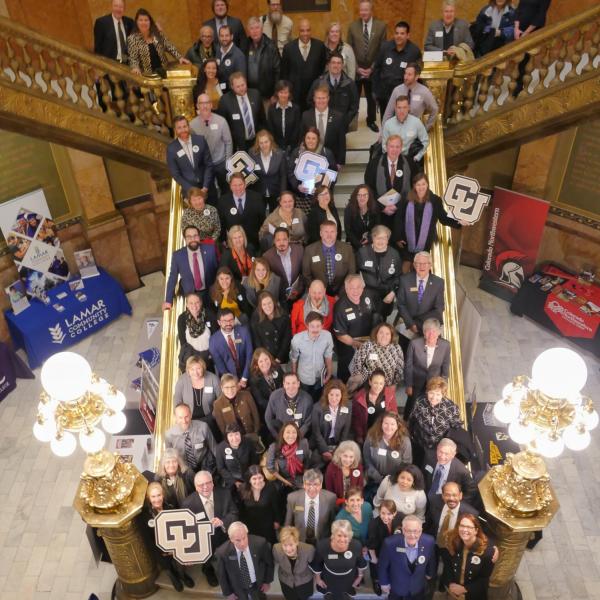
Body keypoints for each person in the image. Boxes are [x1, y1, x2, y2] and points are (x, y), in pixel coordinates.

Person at [393, 172, 463, 271]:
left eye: (423, 184)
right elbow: (398, 218)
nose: (421, 187)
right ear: (414, 185)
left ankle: (418, 286)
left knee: (420, 267)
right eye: (418, 184)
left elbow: (443, 218)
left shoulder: (435, 200)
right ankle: (403, 286)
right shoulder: (406, 198)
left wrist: (459, 222)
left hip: (425, 242)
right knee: (406, 264)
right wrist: (398, 237)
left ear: (427, 184)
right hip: (406, 241)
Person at [182, 470, 240, 586]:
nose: (205, 487)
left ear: (213, 483)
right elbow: (187, 530)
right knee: (207, 559)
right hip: (203, 540)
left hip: (223, 535)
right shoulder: (188, 503)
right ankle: (208, 570)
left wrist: (222, 522)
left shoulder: (225, 494)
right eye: (201, 485)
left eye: (208, 483)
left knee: (225, 556)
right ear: (195, 487)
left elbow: (234, 513)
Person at [143, 482, 195, 592]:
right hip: (159, 549)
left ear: (163, 495)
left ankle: (182, 575)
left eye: (159, 495)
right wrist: (164, 550)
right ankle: (173, 577)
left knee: (180, 562)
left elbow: (179, 525)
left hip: (175, 543)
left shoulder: (171, 505)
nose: (157, 499)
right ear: (148, 498)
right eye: (153, 496)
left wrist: (177, 546)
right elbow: (148, 540)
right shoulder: (145, 515)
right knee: (167, 565)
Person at [346, 0, 388, 132]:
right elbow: (349, 48)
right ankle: (352, 122)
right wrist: (357, 68)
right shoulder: (352, 27)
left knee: (371, 98)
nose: (363, 12)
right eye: (361, 10)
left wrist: (372, 68)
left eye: (366, 10)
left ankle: (371, 121)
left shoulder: (381, 26)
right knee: (354, 98)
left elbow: (382, 49)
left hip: (372, 70)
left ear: (371, 11)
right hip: (356, 70)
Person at [332, 274, 380, 382]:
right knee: (347, 367)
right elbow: (340, 335)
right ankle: (344, 387)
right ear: (346, 289)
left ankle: (363, 385)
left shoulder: (368, 296)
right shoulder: (340, 306)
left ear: (363, 288)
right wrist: (357, 344)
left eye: (358, 287)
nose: (356, 291)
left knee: (370, 363)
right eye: (352, 288)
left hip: (367, 339)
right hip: (348, 342)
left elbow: (376, 315)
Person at [378, 515, 436, 600]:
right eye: (408, 531)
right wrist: (384, 583)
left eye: (416, 531)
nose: (412, 535)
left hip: (417, 587)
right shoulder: (390, 543)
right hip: (397, 587)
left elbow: (431, 560)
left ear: (421, 531)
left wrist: (430, 573)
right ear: (403, 531)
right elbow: (382, 565)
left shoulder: (429, 541)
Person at [409, 378, 464, 467]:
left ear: (443, 394)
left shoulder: (451, 408)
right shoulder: (420, 402)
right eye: (431, 393)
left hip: (439, 449)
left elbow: (456, 427)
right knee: (418, 464)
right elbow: (412, 419)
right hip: (420, 444)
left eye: (438, 394)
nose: (434, 398)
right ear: (427, 392)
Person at [439, 514, 495, 599]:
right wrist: (451, 584)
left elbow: (484, 578)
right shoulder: (452, 543)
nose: (465, 529)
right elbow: (448, 567)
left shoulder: (487, 552)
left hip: (473, 594)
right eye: (462, 526)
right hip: (453, 591)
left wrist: (465, 589)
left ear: (476, 530)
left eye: (469, 527)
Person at [404, 318, 450, 420]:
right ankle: (406, 422)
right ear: (424, 333)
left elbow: (446, 366)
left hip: (434, 383)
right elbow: (408, 365)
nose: (431, 334)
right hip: (416, 381)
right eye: (428, 331)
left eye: (434, 331)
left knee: (430, 404)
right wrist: (408, 385)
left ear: (439, 333)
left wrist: (443, 385)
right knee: (411, 404)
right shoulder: (414, 344)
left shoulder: (446, 345)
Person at [373, 21, 422, 117]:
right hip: (384, 94)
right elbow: (377, 69)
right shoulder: (385, 47)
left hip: (403, 96)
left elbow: (417, 76)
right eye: (397, 33)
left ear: (408, 35)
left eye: (402, 33)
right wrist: (375, 91)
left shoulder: (414, 51)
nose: (399, 36)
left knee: (402, 122)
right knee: (386, 121)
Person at [215, 521, 274, 600]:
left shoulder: (260, 543)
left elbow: (269, 563)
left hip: (257, 584)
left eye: (244, 538)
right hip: (238, 588)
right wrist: (228, 593)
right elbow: (222, 576)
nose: (242, 543)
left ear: (247, 533)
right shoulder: (222, 552)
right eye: (238, 540)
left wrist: (267, 581)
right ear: (231, 539)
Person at [364, 135, 411, 231]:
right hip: (380, 214)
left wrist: (397, 206)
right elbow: (368, 188)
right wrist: (383, 207)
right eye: (391, 146)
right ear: (386, 147)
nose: (394, 150)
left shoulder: (409, 163)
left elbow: (413, 188)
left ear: (401, 148)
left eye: (397, 147)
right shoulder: (374, 163)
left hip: (402, 213)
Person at [310, 519, 367, 597]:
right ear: (333, 535)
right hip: (328, 578)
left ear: (350, 536)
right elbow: (317, 565)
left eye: (345, 536)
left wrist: (360, 577)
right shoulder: (322, 546)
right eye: (339, 535)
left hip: (349, 578)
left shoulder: (356, 545)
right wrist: (318, 579)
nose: (342, 539)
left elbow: (361, 564)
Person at [287, 128, 338, 215]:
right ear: (304, 139)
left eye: (313, 138)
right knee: (304, 222)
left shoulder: (327, 153)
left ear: (318, 139)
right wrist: (297, 186)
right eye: (308, 138)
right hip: (301, 197)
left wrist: (322, 189)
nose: (311, 141)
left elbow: (333, 176)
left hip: (320, 197)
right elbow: (290, 172)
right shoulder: (297, 152)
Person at [189, 94, 232, 194]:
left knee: (226, 189)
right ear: (197, 106)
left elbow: (228, 142)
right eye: (202, 103)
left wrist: (227, 162)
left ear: (211, 105)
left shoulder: (221, 121)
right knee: (210, 192)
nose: (205, 106)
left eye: (207, 103)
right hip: (204, 165)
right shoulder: (192, 125)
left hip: (221, 163)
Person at [281, 19, 327, 112]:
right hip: (295, 96)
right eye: (302, 30)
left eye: (308, 30)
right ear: (298, 31)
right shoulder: (288, 48)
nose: (305, 33)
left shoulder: (320, 46)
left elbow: (322, 68)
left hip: (314, 96)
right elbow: (284, 73)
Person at [127, 8, 189, 76]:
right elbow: (133, 59)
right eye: (141, 20)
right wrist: (135, 68)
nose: (144, 23)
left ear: (150, 22)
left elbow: (169, 46)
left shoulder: (157, 33)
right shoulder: (132, 39)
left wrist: (180, 57)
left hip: (164, 72)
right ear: (136, 22)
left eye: (146, 20)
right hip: (147, 76)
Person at [396, 251, 445, 336]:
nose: (422, 266)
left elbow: (439, 308)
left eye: (425, 263)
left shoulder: (439, 282)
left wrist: (417, 324)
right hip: (407, 326)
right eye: (418, 263)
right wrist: (410, 324)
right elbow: (401, 304)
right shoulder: (405, 280)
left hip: (429, 328)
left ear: (430, 265)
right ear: (414, 265)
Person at [307, 52, 359, 132]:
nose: (336, 66)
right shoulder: (318, 83)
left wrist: (345, 121)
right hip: (322, 122)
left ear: (342, 65)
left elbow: (354, 106)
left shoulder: (350, 84)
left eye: (339, 63)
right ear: (328, 65)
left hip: (342, 124)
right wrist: (319, 116)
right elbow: (310, 101)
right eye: (333, 63)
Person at [302, 221, 356, 298]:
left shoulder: (347, 249)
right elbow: (306, 276)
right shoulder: (309, 250)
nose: (329, 235)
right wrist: (319, 293)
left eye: (332, 231)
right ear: (321, 233)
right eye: (326, 231)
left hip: (342, 293)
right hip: (317, 294)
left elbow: (351, 274)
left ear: (336, 233)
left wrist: (341, 294)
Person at [357, 225, 401, 318]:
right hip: (367, 293)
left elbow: (398, 277)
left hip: (386, 294)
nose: (381, 241)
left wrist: (393, 293)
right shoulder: (362, 252)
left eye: (384, 238)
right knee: (369, 319)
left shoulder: (395, 254)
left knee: (381, 318)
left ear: (388, 239)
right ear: (373, 238)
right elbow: (356, 272)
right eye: (378, 238)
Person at [290, 311, 334, 402]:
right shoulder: (297, 339)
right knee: (304, 401)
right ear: (307, 325)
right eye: (312, 326)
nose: (315, 329)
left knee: (317, 399)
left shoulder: (327, 336)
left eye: (318, 326)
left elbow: (328, 355)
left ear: (322, 325)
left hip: (320, 376)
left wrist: (329, 373)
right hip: (303, 377)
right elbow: (294, 359)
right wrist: (295, 376)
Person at [363, 412, 412, 493]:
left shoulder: (405, 441)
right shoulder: (371, 437)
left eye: (392, 424)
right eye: (386, 423)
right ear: (381, 424)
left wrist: (393, 479)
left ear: (397, 425)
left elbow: (406, 463)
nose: (389, 427)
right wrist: (377, 477)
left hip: (395, 482)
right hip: (374, 480)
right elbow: (367, 459)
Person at [285, 470, 338, 544]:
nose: (312, 488)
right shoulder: (292, 498)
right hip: (300, 543)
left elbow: (333, 524)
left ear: (321, 485)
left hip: (322, 542)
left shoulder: (331, 498)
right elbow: (288, 525)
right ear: (303, 485)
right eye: (308, 484)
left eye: (316, 484)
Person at [382, 63, 439, 130]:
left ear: (416, 77)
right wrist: (383, 131)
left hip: (414, 130)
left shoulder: (424, 92)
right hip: (397, 129)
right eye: (405, 73)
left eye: (409, 75)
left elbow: (435, 109)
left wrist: (426, 127)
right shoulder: (397, 90)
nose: (405, 77)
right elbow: (388, 113)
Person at [167, 115, 214, 197]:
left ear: (188, 126)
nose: (183, 130)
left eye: (185, 126)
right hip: (189, 192)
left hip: (208, 187)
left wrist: (205, 187)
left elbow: (208, 164)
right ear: (175, 130)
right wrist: (192, 190)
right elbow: (176, 174)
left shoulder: (200, 140)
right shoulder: (171, 149)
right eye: (179, 128)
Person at [421, 438, 477, 505]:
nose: (442, 456)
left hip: (444, 503)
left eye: (446, 454)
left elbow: (471, 491)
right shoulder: (429, 456)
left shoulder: (462, 471)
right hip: (425, 495)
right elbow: (423, 474)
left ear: (453, 455)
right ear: (437, 449)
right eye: (440, 452)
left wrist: (456, 504)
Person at [174, 355, 220, 436]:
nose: (195, 372)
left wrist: (215, 414)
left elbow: (221, 398)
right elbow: (177, 401)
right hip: (189, 420)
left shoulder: (213, 378)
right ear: (188, 370)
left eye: (198, 368)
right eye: (192, 369)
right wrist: (182, 419)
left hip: (210, 418)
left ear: (203, 368)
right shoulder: (182, 380)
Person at [219, 72, 266, 151]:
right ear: (232, 87)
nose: (241, 88)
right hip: (238, 145)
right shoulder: (225, 100)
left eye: (243, 85)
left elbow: (262, 118)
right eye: (238, 86)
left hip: (257, 142)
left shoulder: (255, 94)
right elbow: (223, 124)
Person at [350, 323, 404, 391]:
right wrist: (358, 381)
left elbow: (399, 369)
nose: (384, 336)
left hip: (386, 385)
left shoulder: (396, 348)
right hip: (367, 384)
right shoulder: (367, 345)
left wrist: (394, 385)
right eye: (381, 333)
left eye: (387, 334)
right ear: (376, 334)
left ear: (391, 336)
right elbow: (357, 364)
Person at [425, 481, 479, 549]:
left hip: (454, 548)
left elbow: (479, 534)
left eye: (454, 495)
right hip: (433, 544)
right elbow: (427, 524)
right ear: (442, 496)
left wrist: (493, 548)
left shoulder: (471, 513)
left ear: (460, 496)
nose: (451, 498)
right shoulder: (434, 502)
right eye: (447, 495)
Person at [301, 85, 346, 166]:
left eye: (323, 98)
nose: (321, 101)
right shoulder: (305, 116)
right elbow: (302, 138)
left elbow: (341, 141)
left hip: (331, 161)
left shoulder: (338, 117)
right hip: (310, 159)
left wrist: (340, 162)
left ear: (328, 98)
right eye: (318, 98)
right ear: (314, 99)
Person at [366, 499, 404, 596]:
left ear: (395, 513)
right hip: (378, 550)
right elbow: (371, 544)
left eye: (389, 514)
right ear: (379, 512)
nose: (386, 517)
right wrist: (374, 559)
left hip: (395, 550)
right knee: (376, 567)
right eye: (383, 513)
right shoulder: (374, 524)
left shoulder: (401, 517)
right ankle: (376, 582)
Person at [218, 174, 265, 250]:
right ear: (230, 186)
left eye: (240, 184)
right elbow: (221, 223)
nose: (238, 188)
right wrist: (223, 240)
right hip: (233, 244)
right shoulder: (223, 201)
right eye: (234, 185)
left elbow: (262, 220)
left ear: (245, 184)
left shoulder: (257, 198)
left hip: (254, 243)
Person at [351, 369, 397, 446]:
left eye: (381, 383)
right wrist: (359, 435)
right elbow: (356, 419)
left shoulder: (390, 394)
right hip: (367, 434)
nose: (378, 386)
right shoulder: (359, 397)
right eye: (375, 383)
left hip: (384, 433)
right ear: (370, 382)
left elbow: (394, 414)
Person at [166, 403, 217, 472]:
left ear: (190, 415)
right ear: (175, 418)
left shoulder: (203, 427)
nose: (184, 421)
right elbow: (169, 456)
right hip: (184, 468)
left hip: (204, 464)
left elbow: (214, 449)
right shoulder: (169, 435)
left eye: (186, 416)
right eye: (180, 417)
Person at [241, 17, 281, 106]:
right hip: (249, 94)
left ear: (262, 29)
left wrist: (275, 94)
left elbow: (278, 71)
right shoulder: (245, 45)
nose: (254, 31)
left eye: (257, 28)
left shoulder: (271, 46)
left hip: (267, 96)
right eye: (251, 28)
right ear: (248, 31)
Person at [208, 308, 253, 385]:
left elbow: (249, 355)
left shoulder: (244, 331)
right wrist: (233, 382)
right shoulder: (213, 341)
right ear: (219, 322)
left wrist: (244, 378)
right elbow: (220, 366)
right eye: (225, 321)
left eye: (231, 320)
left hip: (248, 373)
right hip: (229, 377)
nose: (228, 323)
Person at [311, 379, 352, 463]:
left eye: (337, 395)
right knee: (316, 460)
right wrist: (324, 450)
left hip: (339, 443)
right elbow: (316, 432)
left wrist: (338, 450)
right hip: (321, 443)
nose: (334, 398)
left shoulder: (348, 406)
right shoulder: (317, 408)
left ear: (342, 395)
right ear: (327, 395)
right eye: (331, 395)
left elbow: (346, 430)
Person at [238, 465, 281, 543]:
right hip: (249, 525)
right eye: (254, 478)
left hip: (267, 524)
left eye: (260, 477)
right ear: (249, 480)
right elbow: (240, 509)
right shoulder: (242, 489)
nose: (258, 481)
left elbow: (276, 506)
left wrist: (277, 521)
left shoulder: (271, 487)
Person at [382, 96, 429, 166]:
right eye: (399, 107)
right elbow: (384, 146)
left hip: (410, 159)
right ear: (395, 108)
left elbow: (425, 142)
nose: (402, 111)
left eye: (404, 107)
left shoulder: (416, 122)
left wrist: (417, 157)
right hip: (392, 159)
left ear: (408, 108)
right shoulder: (388, 124)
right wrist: (393, 159)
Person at [263, 227, 305, 304]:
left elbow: (304, 273)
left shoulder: (299, 250)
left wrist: (298, 290)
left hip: (298, 295)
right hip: (279, 298)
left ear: (289, 239)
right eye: (278, 240)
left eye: (284, 239)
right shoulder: (267, 257)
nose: (281, 243)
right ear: (274, 241)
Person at [265, 372, 313, 439]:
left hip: (300, 435)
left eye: (294, 383)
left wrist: (297, 437)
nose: (291, 386)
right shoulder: (274, 396)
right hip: (281, 435)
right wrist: (278, 437)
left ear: (298, 384)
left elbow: (308, 422)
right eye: (288, 383)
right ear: (283, 384)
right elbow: (268, 418)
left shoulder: (307, 399)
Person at [212, 373, 261, 439]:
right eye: (226, 387)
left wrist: (256, 433)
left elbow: (255, 416)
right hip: (234, 440)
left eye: (233, 386)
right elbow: (222, 427)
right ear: (221, 388)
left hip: (252, 434)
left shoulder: (246, 395)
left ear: (237, 386)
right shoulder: (217, 404)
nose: (230, 390)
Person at [265, 422, 312, 490]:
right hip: (284, 479)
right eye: (288, 432)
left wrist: (305, 480)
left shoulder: (303, 443)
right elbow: (271, 469)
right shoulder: (274, 447)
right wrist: (286, 482)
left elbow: (307, 462)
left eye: (294, 432)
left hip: (300, 477)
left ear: (297, 434)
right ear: (283, 434)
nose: (291, 436)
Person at [249, 130, 287, 213]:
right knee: (259, 215)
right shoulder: (252, 153)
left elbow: (283, 176)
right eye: (261, 143)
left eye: (266, 142)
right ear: (257, 143)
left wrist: (282, 193)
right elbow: (249, 173)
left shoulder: (279, 154)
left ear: (271, 141)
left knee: (274, 215)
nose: (264, 145)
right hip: (258, 191)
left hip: (275, 191)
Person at [273, 527, 315, 600]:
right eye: (285, 545)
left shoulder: (309, 549)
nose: (288, 549)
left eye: (291, 545)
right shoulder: (276, 549)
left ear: (297, 542)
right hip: (286, 582)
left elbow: (312, 562)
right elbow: (277, 560)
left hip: (304, 582)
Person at [251, 290, 292, 364]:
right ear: (261, 306)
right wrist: (267, 359)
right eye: (264, 304)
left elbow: (287, 339)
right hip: (265, 359)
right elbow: (257, 342)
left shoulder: (283, 316)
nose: (268, 307)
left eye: (269, 303)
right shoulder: (255, 319)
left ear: (274, 303)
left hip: (282, 357)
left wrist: (279, 358)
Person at [215, 423, 259, 491]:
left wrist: (251, 477)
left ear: (240, 434)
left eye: (236, 434)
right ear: (226, 437)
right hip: (231, 479)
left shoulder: (248, 442)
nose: (234, 438)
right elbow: (221, 468)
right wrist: (234, 482)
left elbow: (254, 461)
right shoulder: (220, 448)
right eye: (230, 435)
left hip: (248, 476)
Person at [176, 294, 214, 371]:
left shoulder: (209, 314)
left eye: (197, 302)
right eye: (191, 303)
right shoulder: (182, 318)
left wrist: (210, 354)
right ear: (186, 305)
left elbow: (215, 336)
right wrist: (192, 359)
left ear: (201, 303)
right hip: (192, 357)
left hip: (208, 356)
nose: (194, 305)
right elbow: (183, 341)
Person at [249, 348, 285, 420]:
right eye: (261, 361)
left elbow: (284, 384)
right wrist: (276, 408)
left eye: (266, 359)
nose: (265, 363)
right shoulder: (254, 379)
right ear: (256, 364)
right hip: (268, 409)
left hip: (283, 403)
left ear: (270, 359)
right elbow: (261, 401)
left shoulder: (277, 367)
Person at [324, 440, 364, 505]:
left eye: (351, 457)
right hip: (337, 503)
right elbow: (329, 490)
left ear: (355, 457)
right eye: (345, 456)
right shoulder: (331, 468)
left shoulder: (358, 467)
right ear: (340, 455)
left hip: (354, 503)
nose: (348, 460)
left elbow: (360, 488)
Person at [267, 80, 302, 152]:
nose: (283, 95)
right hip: (276, 146)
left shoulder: (296, 109)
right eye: (281, 92)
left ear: (289, 94)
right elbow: (270, 129)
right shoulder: (271, 109)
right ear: (277, 93)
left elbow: (297, 129)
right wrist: (275, 144)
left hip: (292, 146)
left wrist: (291, 145)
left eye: (286, 92)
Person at [344, 184, 380, 252]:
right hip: (354, 244)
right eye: (359, 195)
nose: (362, 198)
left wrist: (370, 239)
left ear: (369, 196)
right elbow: (348, 231)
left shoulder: (375, 208)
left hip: (371, 242)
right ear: (355, 196)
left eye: (365, 195)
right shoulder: (349, 210)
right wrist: (360, 245)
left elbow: (377, 226)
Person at [216, 26, 247, 90]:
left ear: (231, 37)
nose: (224, 38)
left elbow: (241, 80)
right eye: (222, 36)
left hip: (232, 93)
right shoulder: (218, 51)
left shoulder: (239, 55)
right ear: (219, 37)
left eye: (227, 35)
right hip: (220, 91)